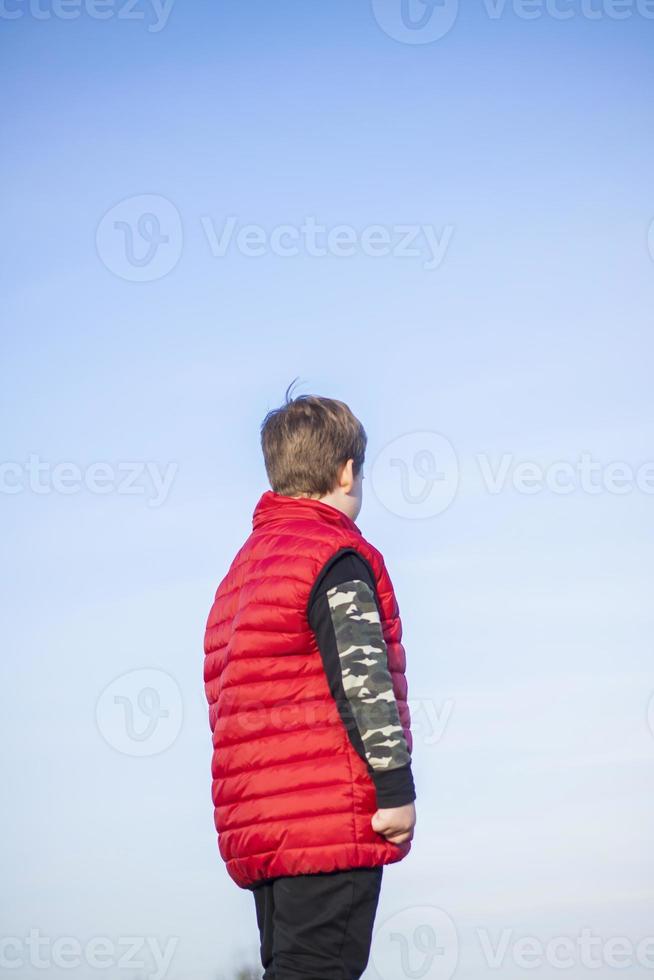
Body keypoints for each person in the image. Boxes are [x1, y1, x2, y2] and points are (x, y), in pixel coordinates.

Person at [203, 387, 416, 979]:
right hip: (329, 820)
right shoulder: (335, 555)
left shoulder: (244, 572)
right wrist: (395, 790)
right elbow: (362, 677)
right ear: (348, 472)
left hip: (263, 829)